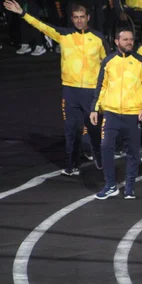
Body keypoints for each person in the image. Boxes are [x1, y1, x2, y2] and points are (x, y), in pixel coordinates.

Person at [3, 0, 106, 176]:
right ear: (72, 19)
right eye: (76, 17)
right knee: (71, 129)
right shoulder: (63, 35)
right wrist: (22, 13)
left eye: (82, 17)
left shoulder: (98, 38)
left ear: (88, 17)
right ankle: (72, 164)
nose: (79, 20)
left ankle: (97, 154)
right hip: (70, 90)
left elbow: (107, 64)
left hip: (92, 91)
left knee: (94, 127)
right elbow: (42, 25)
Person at [91, 28, 142, 200]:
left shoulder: (140, 61)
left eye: (131, 39)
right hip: (111, 114)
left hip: (133, 115)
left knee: (132, 152)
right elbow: (100, 86)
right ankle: (110, 185)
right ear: (117, 41)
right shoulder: (108, 61)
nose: (129, 42)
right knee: (105, 146)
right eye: (125, 39)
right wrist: (94, 108)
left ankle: (130, 187)